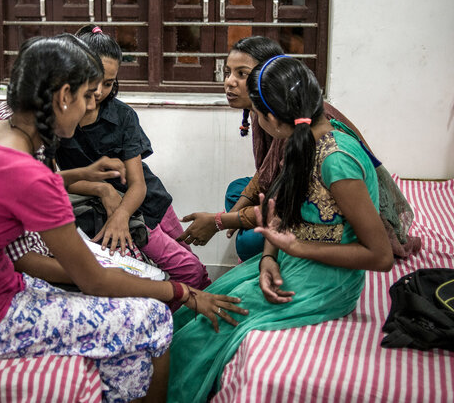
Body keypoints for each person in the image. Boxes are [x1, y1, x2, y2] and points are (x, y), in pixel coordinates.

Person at [0, 34, 246, 403]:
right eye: (88, 96)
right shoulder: (28, 174)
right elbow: (93, 280)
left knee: (129, 310)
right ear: (63, 96)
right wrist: (182, 292)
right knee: (154, 316)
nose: (92, 107)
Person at [168, 55, 394, 403]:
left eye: (258, 114)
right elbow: (282, 209)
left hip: (327, 282)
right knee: (190, 311)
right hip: (293, 263)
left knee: (201, 336)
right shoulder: (302, 140)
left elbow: (380, 256)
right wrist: (269, 257)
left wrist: (297, 249)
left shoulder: (338, 160)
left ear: (271, 118)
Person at [2, 25, 211, 294]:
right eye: (94, 82)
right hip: (109, 210)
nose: (98, 92)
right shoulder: (55, 121)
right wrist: (102, 189)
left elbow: (138, 184)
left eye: (109, 83)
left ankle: (196, 321)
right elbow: (52, 180)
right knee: (183, 271)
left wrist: (121, 214)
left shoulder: (122, 116)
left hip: (148, 201)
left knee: (191, 266)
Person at [178, 36, 418, 260]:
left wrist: (221, 221)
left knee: (248, 243)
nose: (230, 82)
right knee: (236, 192)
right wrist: (234, 216)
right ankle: (258, 231)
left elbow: (286, 197)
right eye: (228, 72)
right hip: (297, 191)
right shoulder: (267, 110)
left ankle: (259, 237)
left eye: (242, 74)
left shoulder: (301, 127)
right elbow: (268, 173)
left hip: (333, 214)